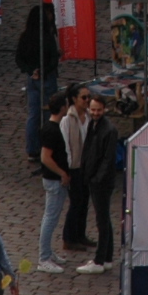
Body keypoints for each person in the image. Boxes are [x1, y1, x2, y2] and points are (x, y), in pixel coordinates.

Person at [77, 92, 122, 273]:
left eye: (98, 110)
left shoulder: (109, 130)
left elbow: (107, 158)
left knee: (102, 221)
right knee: (104, 219)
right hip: (94, 177)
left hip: (101, 181)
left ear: (105, 109)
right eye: (93, 109)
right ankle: (107, 257)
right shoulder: (94, 125)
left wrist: (96, 178)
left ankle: (99, 260)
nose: (95, 113)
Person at [16, 0, 60, 167]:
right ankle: (49, 148)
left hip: (32, 80)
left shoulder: (25, 37)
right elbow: (53, 60)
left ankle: (32, 149)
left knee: (33, 115)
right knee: (50, 114)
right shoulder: (46, 38)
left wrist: (30, 71)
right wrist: (43, 71)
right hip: (47, 78)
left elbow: (18, 58)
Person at [35, 91, 72, 272]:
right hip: (53, 180)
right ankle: (43, 258)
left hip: (55, 179)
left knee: (53, 217)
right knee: (50, 218)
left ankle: (48, 253)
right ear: (62, 107)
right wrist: (62, 173)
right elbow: (46, 157)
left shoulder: (51, 127)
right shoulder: (51, 130)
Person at [61, 83, 92, 256]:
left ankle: (80, 234)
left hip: (86, 166)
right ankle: (69, 237)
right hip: (75, 167)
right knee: (75, 203)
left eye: (88, 97)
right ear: (74, 99)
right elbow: (66, 145)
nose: (87, 100)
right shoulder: (68, 120)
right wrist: (68, 168)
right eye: (84, 97)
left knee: (84, 202)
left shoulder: (87, 117)